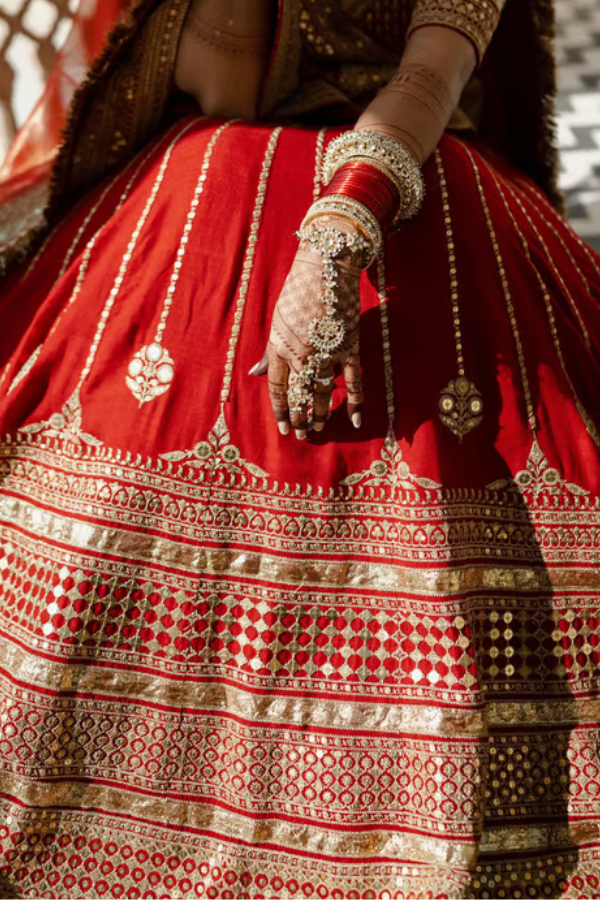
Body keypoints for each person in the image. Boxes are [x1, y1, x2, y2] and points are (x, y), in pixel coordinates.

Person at [0, 0, 599, 896]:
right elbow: (197, 61)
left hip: (408, 203)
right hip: (196, 206)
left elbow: (432, 71)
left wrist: (335, 238)